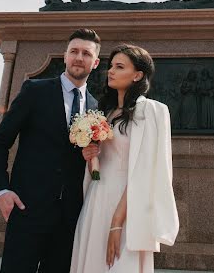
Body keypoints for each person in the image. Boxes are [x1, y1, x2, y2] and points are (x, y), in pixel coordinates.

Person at [0, 28, 101, 273]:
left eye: (86, 53)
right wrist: (1, 190)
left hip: (70, 217)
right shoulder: (34, 91)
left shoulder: (95, 107)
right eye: (74, 51)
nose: (79, 57)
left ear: (96, 62)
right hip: (27, 209)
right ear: (65, 55)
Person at [70, 44, 179, 273]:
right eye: (111, 66)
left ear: (137, 75)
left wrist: (117, 224)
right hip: (96, 199)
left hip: (128, 204)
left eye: (119, 67)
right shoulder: (105, 113)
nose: (111, 71)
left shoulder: (152, 111)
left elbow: (145, 170)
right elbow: (98, 170)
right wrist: (91, 158)